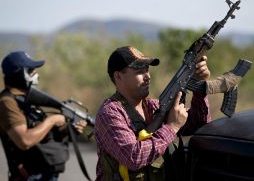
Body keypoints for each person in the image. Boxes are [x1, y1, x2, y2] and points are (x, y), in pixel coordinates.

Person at [94, 46, 211, 181]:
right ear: (118, 76)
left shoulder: (153, 106)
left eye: (147, 70)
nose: (147, 76)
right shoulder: (110, 113)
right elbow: (133, 157)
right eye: (139, 72)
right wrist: (172, 127)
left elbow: (199, 124)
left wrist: (199, 85)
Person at [0, 51, 87, 181]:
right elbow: (25, 141)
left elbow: (40, 133)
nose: (36, 74)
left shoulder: (24, 100)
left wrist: (70, 130)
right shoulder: (7, 102)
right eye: (31, 71)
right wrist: (51, 121)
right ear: (19, 74)